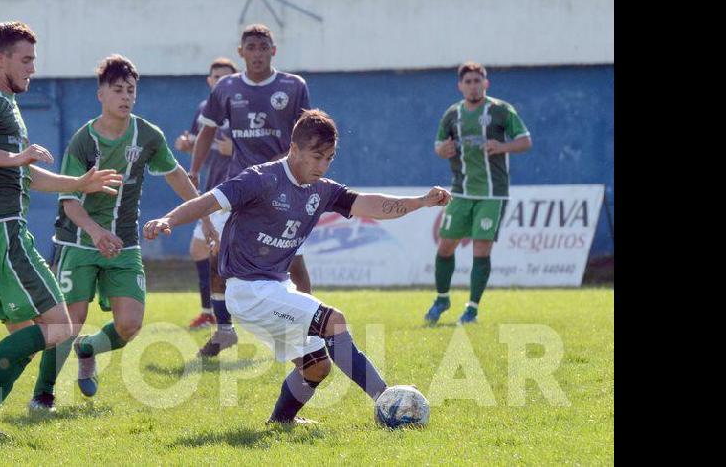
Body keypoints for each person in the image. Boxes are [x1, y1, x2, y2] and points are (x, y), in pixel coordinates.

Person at [144, 109, 452, 424]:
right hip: (248, 289)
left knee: (316, 366)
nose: (322, 165)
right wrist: (169, 218)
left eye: (329, 158)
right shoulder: (261, 178)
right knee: (334, 321)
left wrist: (421, 201)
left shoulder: (323, 190)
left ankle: (281, 422)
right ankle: (389, 402)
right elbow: (208, 201)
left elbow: (370, 204)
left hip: (275, 289)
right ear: (295, 149)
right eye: (316, 156)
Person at [0, 21, 123, 437]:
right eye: (26, 60)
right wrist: (18, 158)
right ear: (0, 59)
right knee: (59, 328)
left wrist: (78, 183)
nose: (32, 69)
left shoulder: (6, 103)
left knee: (28, 335)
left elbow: (26, 175)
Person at [28, 54, 218, 413]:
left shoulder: (147, 135)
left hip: (125, 242)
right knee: (68, 323)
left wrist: (204, 216)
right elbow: (69, 201)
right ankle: (44, 394)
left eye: (131, 90)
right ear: (100, 93)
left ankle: (90, 349)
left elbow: (176, 174)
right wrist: (97, 232)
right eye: (117, 90)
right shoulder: (84, 141)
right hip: (79, 240)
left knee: (130, 324)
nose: (126, 96)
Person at [188, 23, 314, 357]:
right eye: (251, 47)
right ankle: (225, 330)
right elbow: (206, 132)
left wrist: (276, 167)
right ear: (240, 51)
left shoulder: (293, 86)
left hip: (283, 185)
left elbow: (302, 139)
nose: (257, 53)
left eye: (263, 46)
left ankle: (310, 327)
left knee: (293, 259)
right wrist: (195, 170)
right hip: (240, 189)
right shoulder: (227, 88)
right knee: (217, 255)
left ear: (274, 50)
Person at [424, 61, 532, 326]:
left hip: (492, 193)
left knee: (481, 249)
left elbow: (525, 141)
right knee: (445, 246)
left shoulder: (500, 110)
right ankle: (442, 299)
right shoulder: (453, 114)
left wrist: (502, 146)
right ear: (460, 85)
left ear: (486, 82)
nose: (473, 86)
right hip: (460, 192)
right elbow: (439, 145)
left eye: (477, 80)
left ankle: (471, 309)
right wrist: (443, 151)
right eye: (468, 81)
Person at [173, 57, 238, 330]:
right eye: (215, 77)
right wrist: (186, 145)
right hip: (211, 189)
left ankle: (224, 316)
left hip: (233, 189)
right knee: (200, 249)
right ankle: (211, 312)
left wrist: (233, 150)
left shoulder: (242, 107)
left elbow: (258, 146)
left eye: (225, 77)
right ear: (209, 81)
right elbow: (200, 141)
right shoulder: (205, 108)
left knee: (216, 253)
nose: (220, 81)